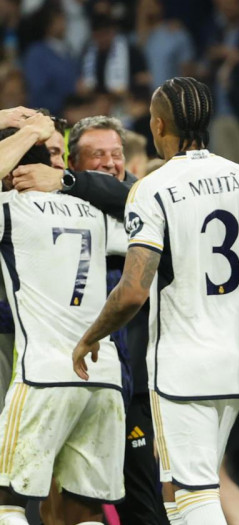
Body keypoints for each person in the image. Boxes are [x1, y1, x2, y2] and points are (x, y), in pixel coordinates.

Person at [71, 76, 239, 525]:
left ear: (159, 125)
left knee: (196, 493)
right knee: (181, 496)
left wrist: (91, 337)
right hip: (234, 360)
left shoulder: (154, 188)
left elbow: (133, 290)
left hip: (182, 365)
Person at [0, 114, 125, 525]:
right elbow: (139, 207)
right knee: (85, 511)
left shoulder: (10, 209)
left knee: (7, 500)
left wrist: (29, 131)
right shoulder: (91, 208)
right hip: (102, 375)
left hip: (43, 375)